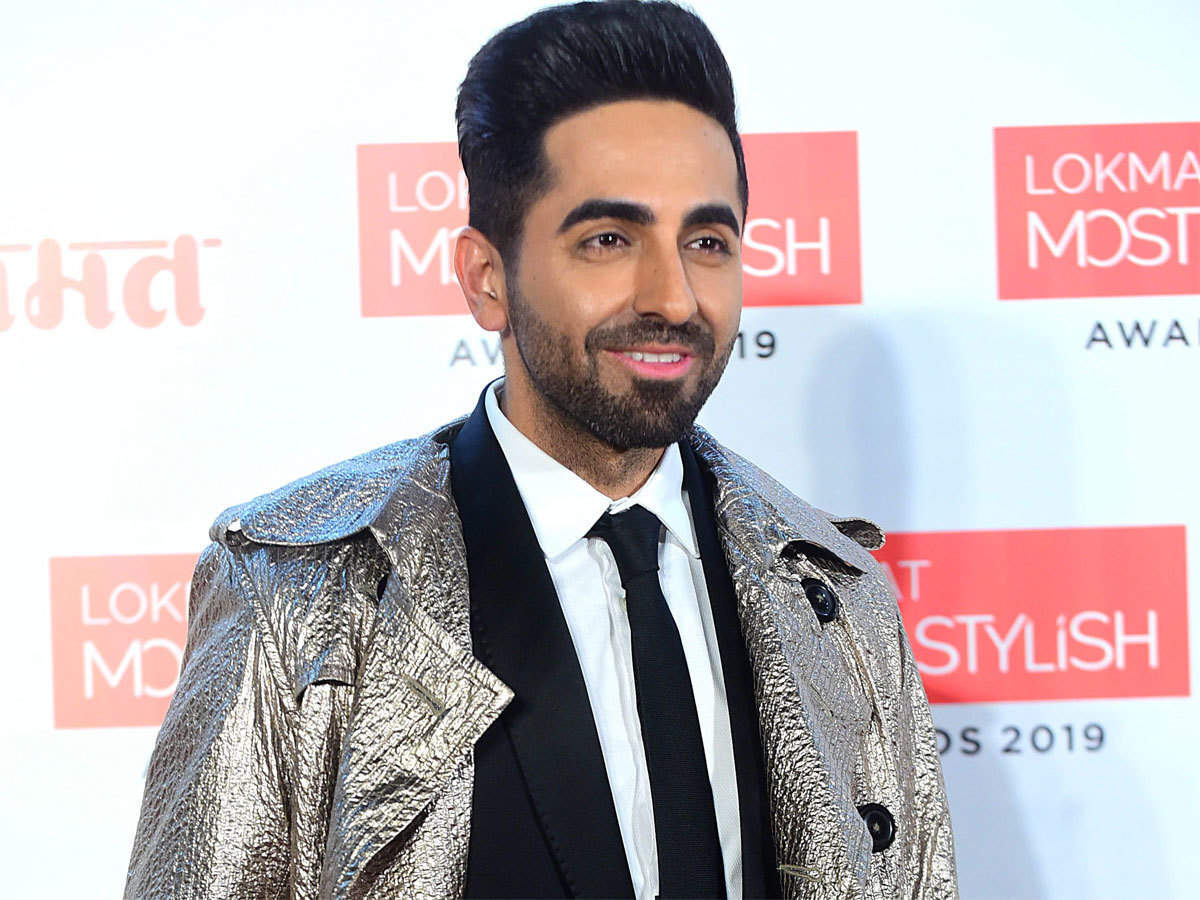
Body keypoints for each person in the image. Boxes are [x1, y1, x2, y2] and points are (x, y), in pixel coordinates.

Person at [126, 2, 958, 898]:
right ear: (487, 279)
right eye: (609, 240)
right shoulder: (297, 591)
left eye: (706, 242)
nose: (674, 296)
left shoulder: (839, 599)